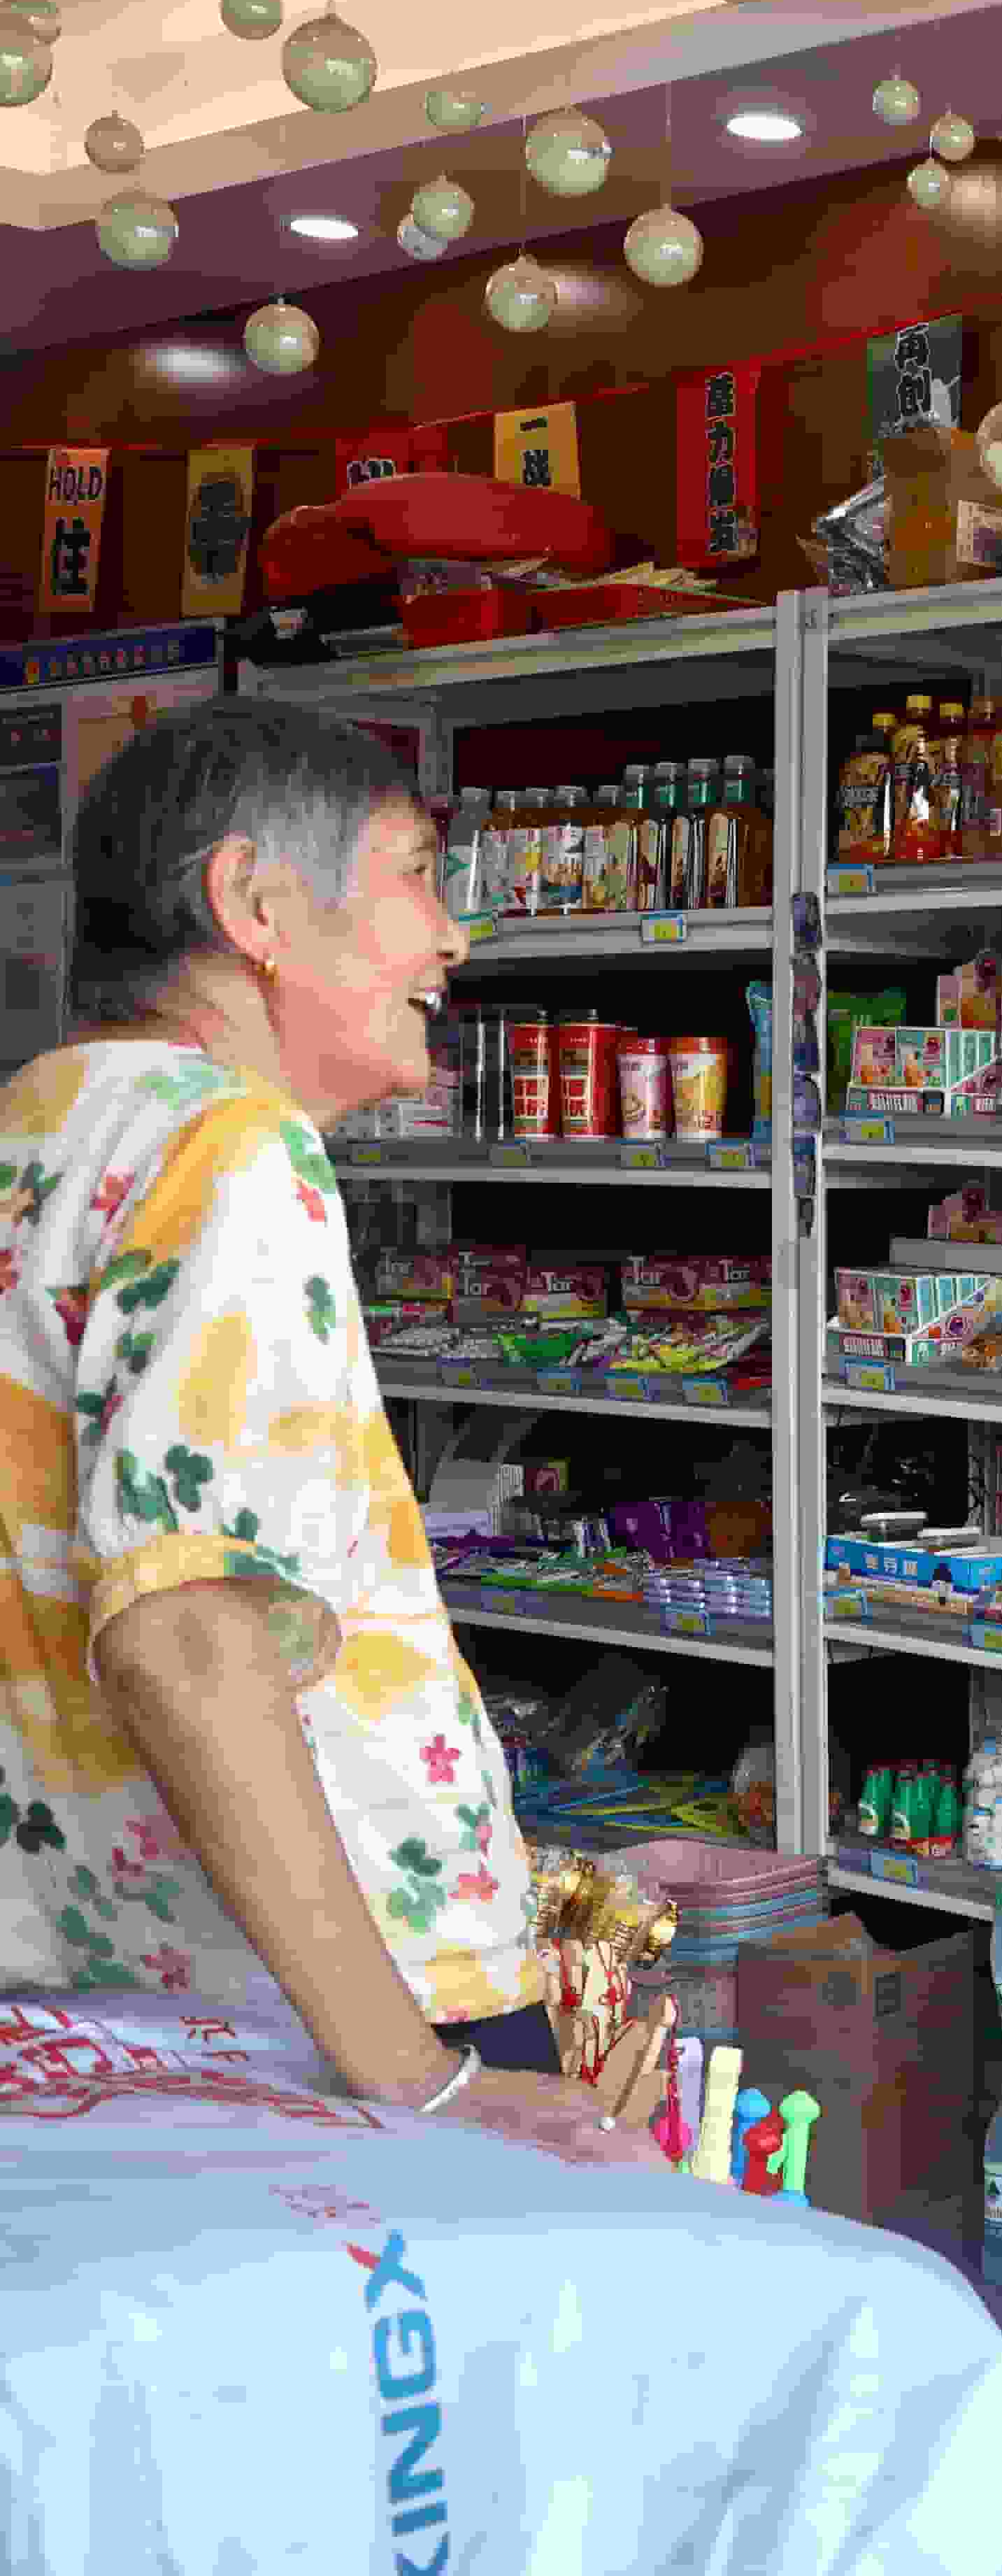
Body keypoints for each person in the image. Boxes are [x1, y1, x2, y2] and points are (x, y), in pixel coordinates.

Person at [0, 702, 656, 2165]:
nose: (454, 937)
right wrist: (421, 2076)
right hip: (312, 2014)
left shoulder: (36, 1126)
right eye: (416, 873)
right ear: (254, 903)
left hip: (93, 1991)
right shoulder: (233, 1144)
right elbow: (187, 1635)